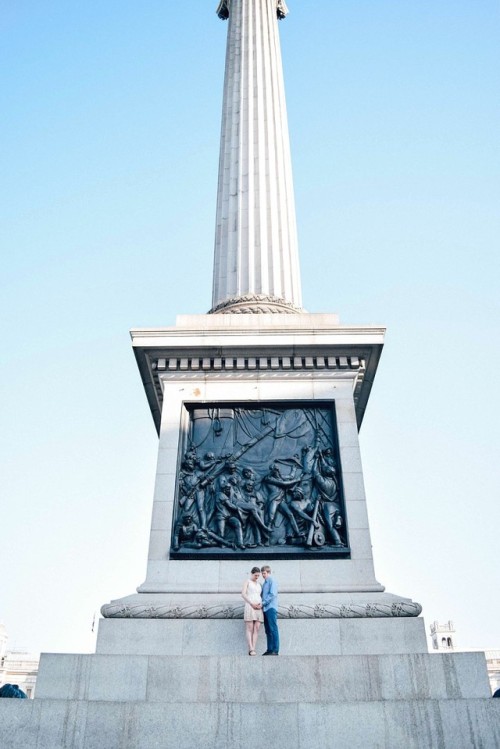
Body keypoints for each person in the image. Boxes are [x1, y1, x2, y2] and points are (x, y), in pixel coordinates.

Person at [241, 567, 264, 655]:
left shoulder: (259, 584)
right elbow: (243, 594)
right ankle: (251, 648)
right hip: (250, 605)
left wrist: (260, 604)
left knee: (257, 628)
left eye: (258, 575)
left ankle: (254, 647)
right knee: (249, 628)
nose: (257, 577)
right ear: (252, 574)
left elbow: (261, 595)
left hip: (258, 606)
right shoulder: (247, 581)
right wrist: (251, 603)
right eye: (255, 575)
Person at [261, 565, 279, 655]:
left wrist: (263, 603)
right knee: (267, 629)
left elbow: (272, 594)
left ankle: (275, 650)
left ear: (268, 573)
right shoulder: (264, 583)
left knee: (273, 629)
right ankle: (269, 649)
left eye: (264, 573)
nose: (263, 575)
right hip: (265, 609)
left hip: (271, 607)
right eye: (262, 573)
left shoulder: (272, 581)